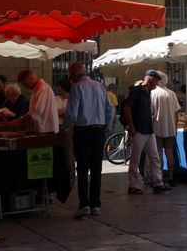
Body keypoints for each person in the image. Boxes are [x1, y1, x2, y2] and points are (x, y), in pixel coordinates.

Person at [63, 62, 114, 219]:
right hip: (98, 131)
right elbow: (110, 109)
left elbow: (71, 113)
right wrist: (107, 128)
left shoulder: (77, 87)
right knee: (96, 168)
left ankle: (84, 204)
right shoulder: (99, 86)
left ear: (74, 75)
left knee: (83, 169)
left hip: (83, 132)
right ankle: (96, 205)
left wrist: (65, 129)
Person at [124, 70, 170, 195]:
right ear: (150, 79)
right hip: (138, 129)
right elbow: (127, 108)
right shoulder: (136, 91)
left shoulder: (148, 92)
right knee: (135, 158)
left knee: (154, 157)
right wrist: (132, 126)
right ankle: (133, 185)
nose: (157, 84)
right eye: (156, 80)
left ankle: (157, 182)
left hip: (149, 130)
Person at [150, 70, 180, 187]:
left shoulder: (153, 93)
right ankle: (171, 177)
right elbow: (176, 112)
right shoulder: (172, 93)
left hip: (157, 127)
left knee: (158, 154)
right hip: (171, 127)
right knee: (169, 152)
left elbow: (151, 112)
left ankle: (160, 177)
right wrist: (175, 127)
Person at [17, 69, 59, 133]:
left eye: (24, 84)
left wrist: (22, 119)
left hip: (47, 129)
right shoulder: (37, 88)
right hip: (43, 128)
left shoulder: (43, 88)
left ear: (31, 78)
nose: (25, 87)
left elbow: (37, 111)